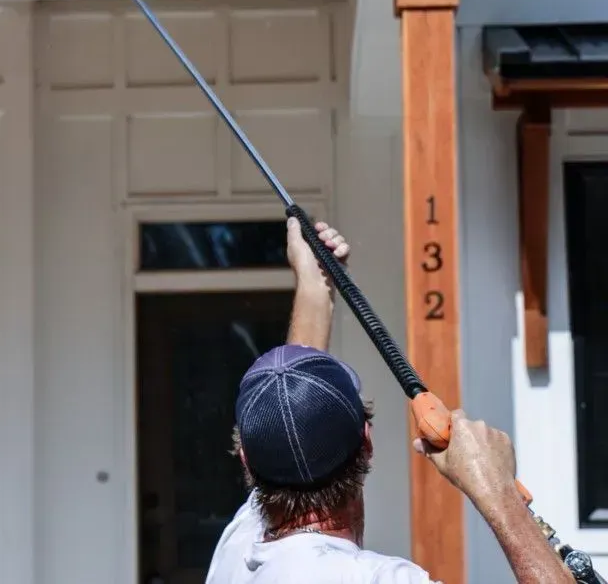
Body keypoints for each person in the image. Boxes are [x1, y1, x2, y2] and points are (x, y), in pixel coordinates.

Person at [206, 216, 573, 583]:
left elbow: (293, 412)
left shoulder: (237, 554)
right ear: (367, 441)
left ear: (248, 462)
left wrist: (315, 284)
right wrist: (497, 492)